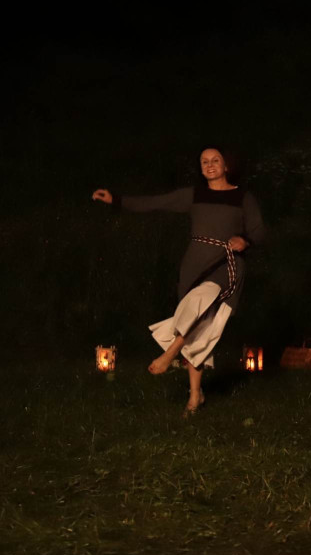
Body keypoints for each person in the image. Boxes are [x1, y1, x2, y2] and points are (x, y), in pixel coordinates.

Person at [90, 147, 266, 416]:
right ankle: (196, 395)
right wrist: (116, 200)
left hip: (226, 264)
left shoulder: (242, 196)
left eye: (215, 160)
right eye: (204, 162)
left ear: (226, 165)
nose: (209, 165)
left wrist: (246, 241)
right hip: (195, 264)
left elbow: (259, 230)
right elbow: (155, 202)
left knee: (199, 303)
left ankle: (170, 353)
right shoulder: (194, 195)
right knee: (198, 328)